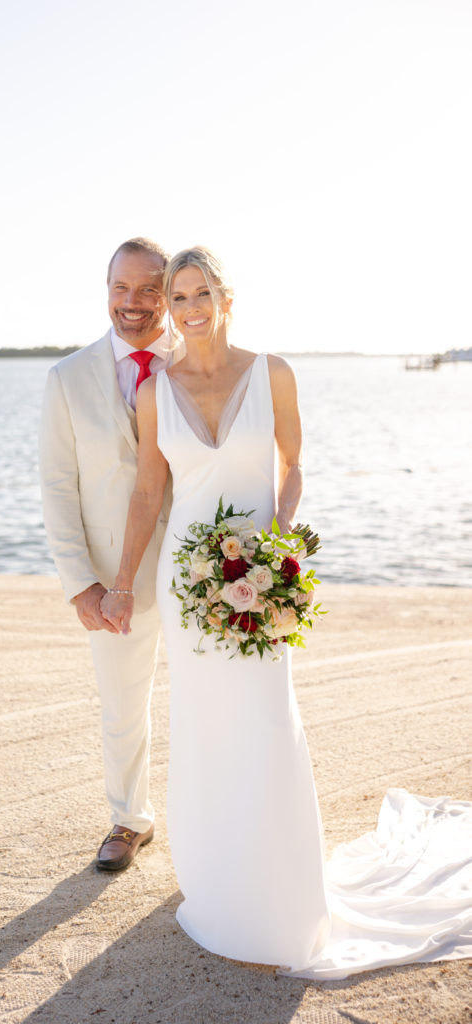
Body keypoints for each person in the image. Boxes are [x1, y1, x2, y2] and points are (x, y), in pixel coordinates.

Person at [101, 246, 472, 978]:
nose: (187, 308)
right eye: (176, 299)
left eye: (199, 292)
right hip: (189, 583)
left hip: (260, 581)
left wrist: (278, 548)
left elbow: (292, 465)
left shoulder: (271, 373)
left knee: (268, 720)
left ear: (225, 296)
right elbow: (149, 492)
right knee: (204, 726)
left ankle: (281, 896)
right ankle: (217, 883)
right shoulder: (153, 390)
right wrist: (119, 582)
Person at [39, 237, 183, 871]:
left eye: (149, 288)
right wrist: (80, 583)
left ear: (170, 292)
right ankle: (129, 820)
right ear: (105, 291)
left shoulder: (197, 363)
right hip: (110, 574)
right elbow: (56, 486)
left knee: (212, 697)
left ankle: (218, 819)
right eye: (121, 288)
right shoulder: (66, 378)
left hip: (196, 567)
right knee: (123, 704)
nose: (134, 303)